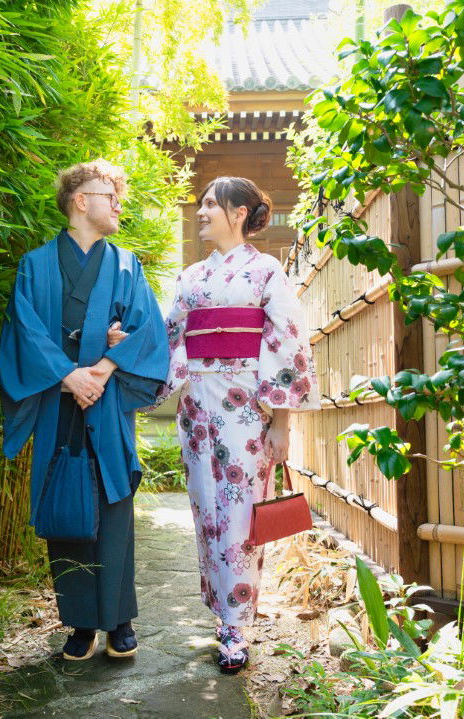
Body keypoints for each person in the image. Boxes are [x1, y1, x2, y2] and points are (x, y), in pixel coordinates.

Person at [124, 176, 318, 673]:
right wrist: (122, 349)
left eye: (212, 203)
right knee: (207, 509)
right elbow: (169, 338)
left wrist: (283, 422)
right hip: (198, 411)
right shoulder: (192, 277)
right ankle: (221, 610)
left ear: (238, 213)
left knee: (239, 514)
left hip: (247, 408)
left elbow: (288, 341)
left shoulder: (265, 272)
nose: (202, 211)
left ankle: (237, 625)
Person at [0, 159, 169, 661]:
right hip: (58, 402)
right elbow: (24, 329)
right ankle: (78, 623)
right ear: (80, 200)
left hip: (107, 402)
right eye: (109, 195)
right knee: (66, 507)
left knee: (114, 507)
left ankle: (119, 619)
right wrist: (68, 374)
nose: (118, 205)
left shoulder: (126, 264)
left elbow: (147, 328)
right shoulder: (35, 264)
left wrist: (106, 367)